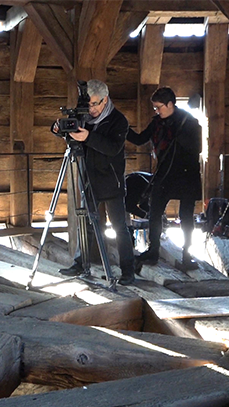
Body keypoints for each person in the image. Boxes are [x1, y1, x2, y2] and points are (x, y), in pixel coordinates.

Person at [57, 79, 135, 285]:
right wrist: (59, 129)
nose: (91, 109)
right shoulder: (83, 116)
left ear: (105, 100)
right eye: (88, 104)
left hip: (111, 181)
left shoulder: (119, 121)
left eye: (95, 104)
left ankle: (128, 271)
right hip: (88, 178)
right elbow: (71, 130)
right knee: (87, 224)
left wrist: (88, 137)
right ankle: (80, 264)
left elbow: (112, 148)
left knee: (119, 227)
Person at [126, 87, 202, 269]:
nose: (157, 111)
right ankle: (153, 252)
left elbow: (195, 149)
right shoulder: (157, 124)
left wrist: (178, 135)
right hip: (165, 173)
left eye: (159, 107)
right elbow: (139, 140)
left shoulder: (189, 123)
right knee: (154, 212)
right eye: (155, 108)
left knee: (186, 216)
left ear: (170, 104)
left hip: (186, 174)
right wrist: (123, 129)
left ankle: (187, 254)